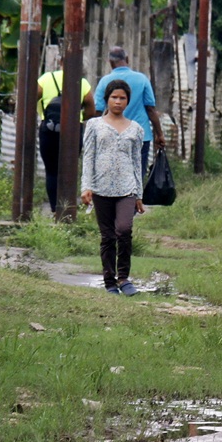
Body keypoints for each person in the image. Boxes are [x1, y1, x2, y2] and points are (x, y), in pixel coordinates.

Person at [81, 79, 146, 295]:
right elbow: (88, 157)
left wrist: (138, 194)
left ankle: (124, 278)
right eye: (114, 97)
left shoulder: (136, 129)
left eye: (122, 98)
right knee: (107, 236)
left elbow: (137, 161)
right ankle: (110, 282)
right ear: (107, 99)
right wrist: (86, 186)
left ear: (128, 101)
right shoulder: (94, 125)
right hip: (100, 187)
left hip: (127, 188)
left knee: (124, 230)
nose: (118, 102)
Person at [94, 46, 162, 181]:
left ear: (110, 62)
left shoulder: (104, 82)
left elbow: (97, 112)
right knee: (137, 176)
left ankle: (117, 200)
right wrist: (159, 134)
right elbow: (151, 110)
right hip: (140, 136)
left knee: (113, 175)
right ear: (127, 59)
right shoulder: (142, 79)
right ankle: (134, 201)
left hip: (112, 135)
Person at [35, 68, 94, 212]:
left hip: (48, 129)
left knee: (51, 171)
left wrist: (42, 112)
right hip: (73, 130)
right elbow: (91, 110)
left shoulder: (45, 79)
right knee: (70, 169)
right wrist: (79, 118)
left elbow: (30, 99)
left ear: (60, 61)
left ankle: (55, 209)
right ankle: (68, 208)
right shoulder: (82, 83)